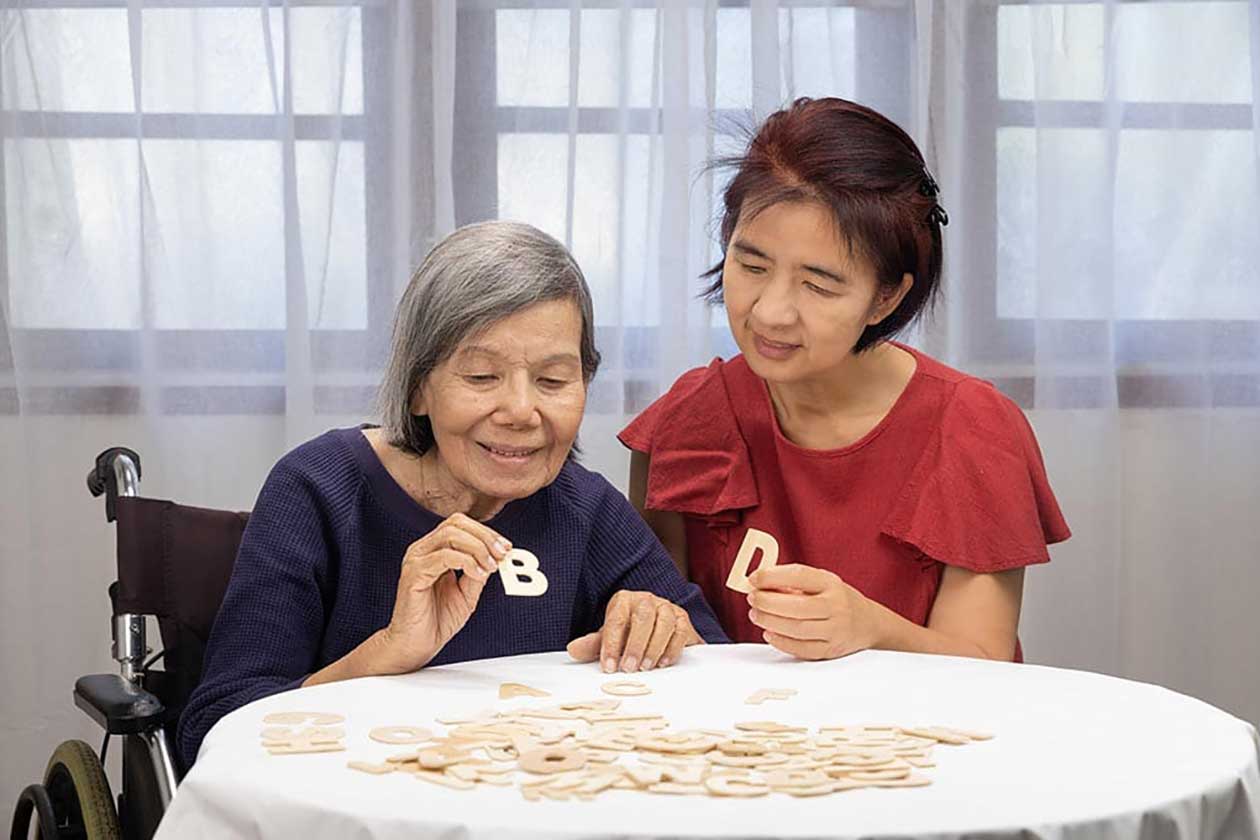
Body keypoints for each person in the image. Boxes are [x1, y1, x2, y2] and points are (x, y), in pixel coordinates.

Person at [179, 221, 726, 765]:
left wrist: (661, 625)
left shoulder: (585, 508)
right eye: (483, 377)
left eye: (553, 381)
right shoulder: (318, 489)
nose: (520, 412)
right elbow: (216, 725)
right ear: (419, 388)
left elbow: (721, 671)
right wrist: (391, 650)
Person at [620, 97, 1069, 664]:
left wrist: (870, 627)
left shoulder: (972, 428)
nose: (771, 312)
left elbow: (982, 661)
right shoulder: (692, 416)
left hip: (916, 742)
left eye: (819, 285)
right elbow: (660, 630)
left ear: (887, 296)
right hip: (733, 746)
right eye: (752, 266)